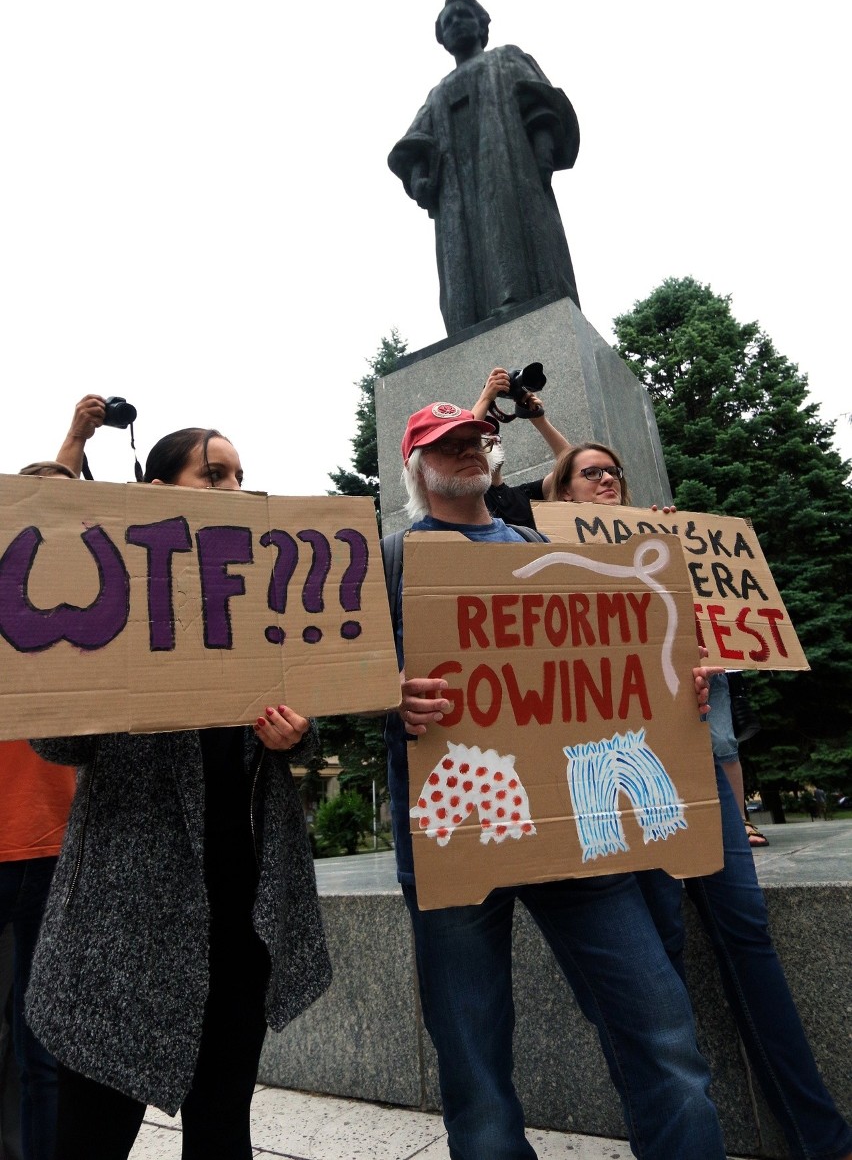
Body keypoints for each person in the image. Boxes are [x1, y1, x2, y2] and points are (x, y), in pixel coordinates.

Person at [383, 401, 726, 1160]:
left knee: (663, 1032)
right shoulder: (390, 559)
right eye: (448, 443)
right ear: (416, 465)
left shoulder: (541, 547)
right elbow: (338, 682)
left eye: (477, 438)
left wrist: (679, 689)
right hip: (455, 837)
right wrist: (387, 693)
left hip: (579, 828)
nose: (470, 449)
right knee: (472, 1063)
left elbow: (621, 672)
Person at [26, 427, 332, 1160]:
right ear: (158, 495)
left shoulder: (266, 600)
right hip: (127, 921)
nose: (235, 490)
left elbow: (310, 725)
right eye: (214, 474)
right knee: (93, 1131)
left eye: (240, 475)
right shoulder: (109, 596)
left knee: (223, 1121)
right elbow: (59, 744)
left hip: (242, 913)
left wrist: (297, 734)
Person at [548, 442, 852, 1160]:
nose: (609, 479)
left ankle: (822, 1135)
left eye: (614, 471)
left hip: (693, 768)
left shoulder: (670, 555)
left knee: (747, 934)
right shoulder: (545, 560)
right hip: (616, 782)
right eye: (591, 472)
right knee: (659, 961)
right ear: (559, 495)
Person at [0, 399, 113, 1160]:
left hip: (57, 846)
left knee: (47, 1046)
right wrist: (69, 444)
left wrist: (75, 443)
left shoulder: (102, 612)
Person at [388, 0, 581, 336]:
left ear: (482, 24)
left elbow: (539, 105)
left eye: (463, 15)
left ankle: (516, 300)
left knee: (508, 233)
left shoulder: (505, 59)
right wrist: (419, 176)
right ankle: (466, 324)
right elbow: (416, 142)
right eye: (447, 22)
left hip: (508, 170)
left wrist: (543, 150)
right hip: (455, 195)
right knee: (458, 256)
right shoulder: (437, 94)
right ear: (442, 38)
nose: (456, 23)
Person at [469, 368, 571, 528]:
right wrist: (486, 398)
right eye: (482, 437)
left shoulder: (525, 495)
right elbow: (462, 438)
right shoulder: (467, 497)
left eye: (494, 434)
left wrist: (539, 419)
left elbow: (573, 465)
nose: (492, 437)